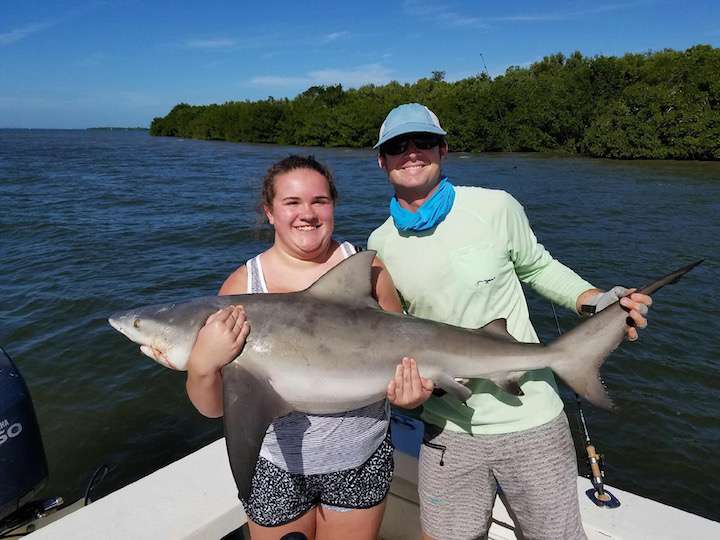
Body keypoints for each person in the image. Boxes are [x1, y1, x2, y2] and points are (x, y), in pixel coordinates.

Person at [367, 103, 653, 540]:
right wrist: (403, 393)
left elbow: (539, 268)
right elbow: (395, 329)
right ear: (382, 159)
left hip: (530, 419)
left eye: (423, 142)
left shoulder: (494, 206)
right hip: (447, 426)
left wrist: (597, 302)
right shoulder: (380, 243)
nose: (412, 153)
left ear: (443, 149)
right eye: (397, 146)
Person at [181, 155, 404, 540]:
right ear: (269, 212)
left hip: (361, 457)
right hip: (277, 466)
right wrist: (201, 367)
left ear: (333, 205)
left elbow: (408, 351)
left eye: (320, 201)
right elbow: (215, 407)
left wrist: (411, 395)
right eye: (292, 202)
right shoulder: (241, 289)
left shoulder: (367, 269)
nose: (308, 214)